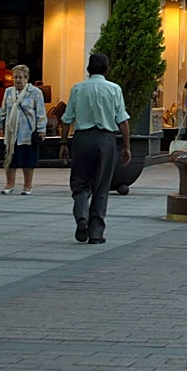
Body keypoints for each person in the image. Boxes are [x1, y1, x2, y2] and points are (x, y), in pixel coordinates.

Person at [59, 54, 131, 244]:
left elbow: (66, 120)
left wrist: (63, 144)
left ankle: (81, 217)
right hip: (106, 139)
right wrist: (126, 146)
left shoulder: (78, 88)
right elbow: (123, 121)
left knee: (80, 184)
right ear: (107, 69)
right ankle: (96, 231)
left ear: (88, 70)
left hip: (82, 139)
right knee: (102, 186)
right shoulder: (114, 89)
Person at [0, 64, 47, 194]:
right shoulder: (8, 92)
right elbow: (3, 110)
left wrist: (41, 130)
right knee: (10, 158)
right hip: (12, 131)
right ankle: (9, 184)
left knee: (28, 159)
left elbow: (40, 112)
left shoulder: (35, 92)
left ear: (27, 78)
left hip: (28, 131)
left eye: (21, 77)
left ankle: (27, 186)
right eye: (15, 77)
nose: (18, 80)